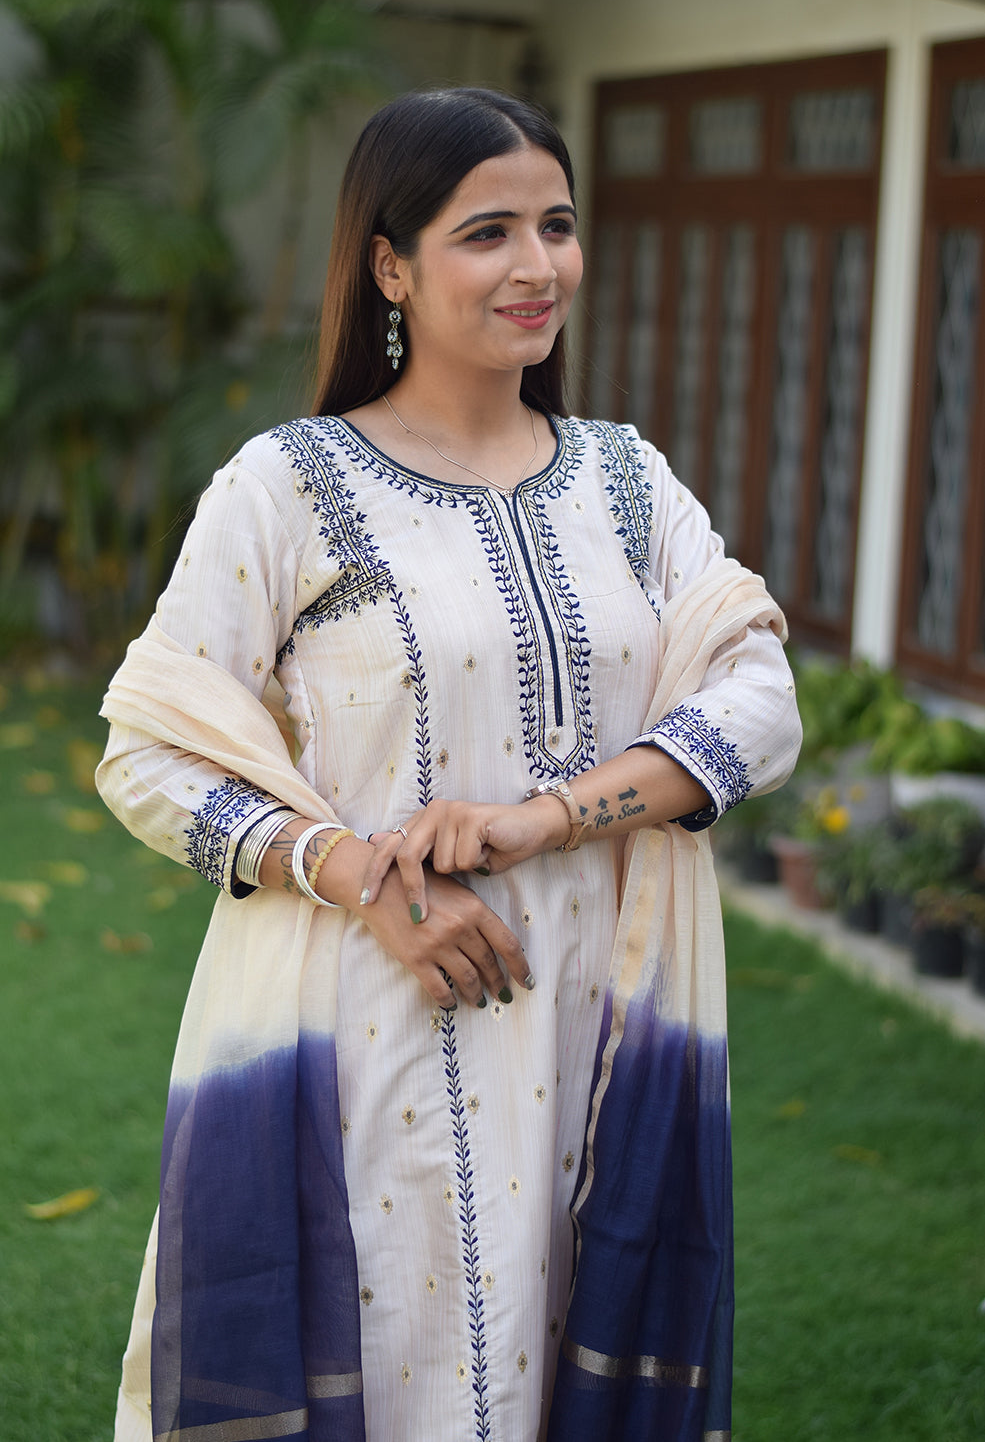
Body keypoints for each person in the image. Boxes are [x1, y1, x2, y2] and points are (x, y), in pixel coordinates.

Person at [97, 86, 801, 1442]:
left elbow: (757, 698)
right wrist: (361, 873)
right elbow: (149, 751)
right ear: (389, 263)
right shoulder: (289, 484)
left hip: (599, 1011)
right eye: (488, 233)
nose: (538, 267)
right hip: (365, 1016)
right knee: (398, 1355)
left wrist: (538, 820)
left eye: (557, 224)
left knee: (560, 1355)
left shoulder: (624, 482)